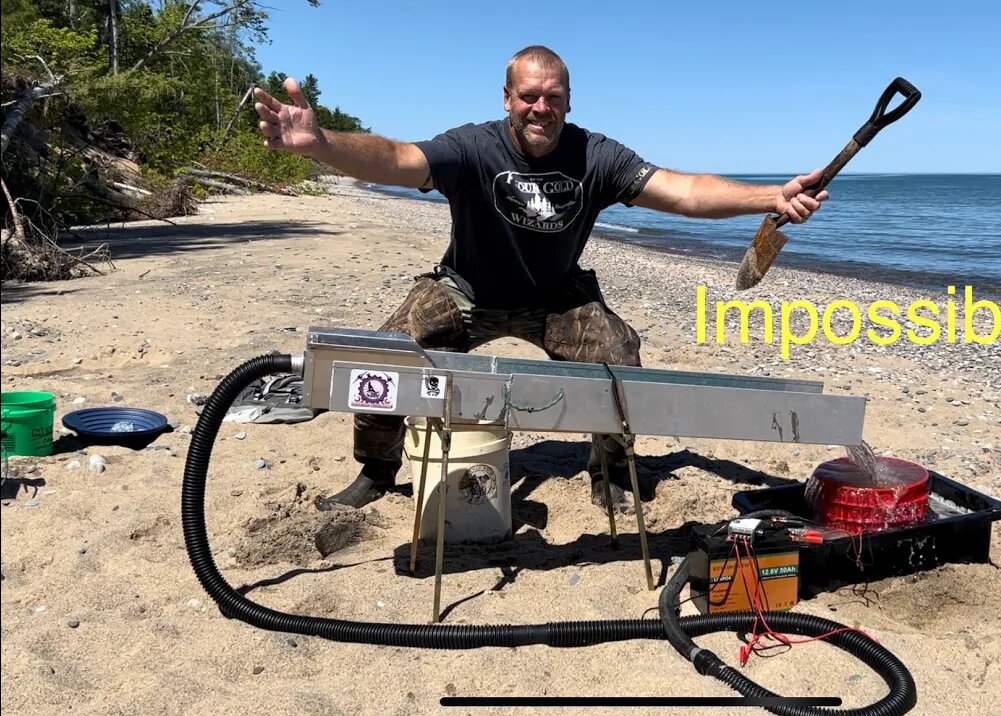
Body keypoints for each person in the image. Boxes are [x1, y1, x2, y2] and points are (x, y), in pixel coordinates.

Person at [253, 45, 829, 513]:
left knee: (619, 355)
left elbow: (684, 191)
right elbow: (397, 157)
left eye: (553, 97)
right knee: (385, 356)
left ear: (569, 102)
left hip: (556, 298)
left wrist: (771, 196)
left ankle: (608, 469)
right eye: (528, 96)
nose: (540, 108)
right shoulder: (471, 147)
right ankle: (377, 470)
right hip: (468, 291)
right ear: (508, 99)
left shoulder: (597, 156)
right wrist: (322, 145)